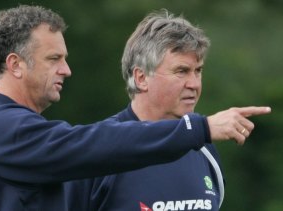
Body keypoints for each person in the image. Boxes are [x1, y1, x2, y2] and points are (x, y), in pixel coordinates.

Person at [0, 5, 271, 211]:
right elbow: (88, 145)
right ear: (15, 64)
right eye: (54, 59)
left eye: (197, 71)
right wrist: (198, 128)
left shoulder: (7, 130)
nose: (67, 70)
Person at [63, 10, 271, 211]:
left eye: (198, 71)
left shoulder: (204, 149)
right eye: (181, 71)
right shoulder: (98, 150)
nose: (194, 84)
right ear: (141, 78)